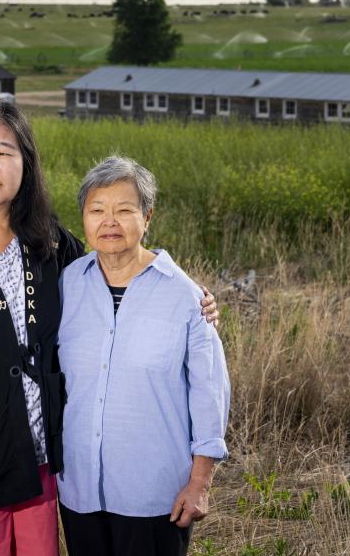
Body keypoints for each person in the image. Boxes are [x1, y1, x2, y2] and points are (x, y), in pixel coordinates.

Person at [0, 101, 219, 555]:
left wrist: (191, 296)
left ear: (26, 163)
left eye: (5, 152)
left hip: (41, 469)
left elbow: (114, 263)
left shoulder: (47, 241)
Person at [56, 155, 231, 556]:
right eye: (97, 210)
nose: (109, 222)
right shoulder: (68, 284)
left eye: (124, 210)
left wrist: (200, 483)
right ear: (83, 217)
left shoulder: (185, 295)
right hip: (80, 488)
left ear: (147, 217)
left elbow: (210, 393)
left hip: (154, 494)